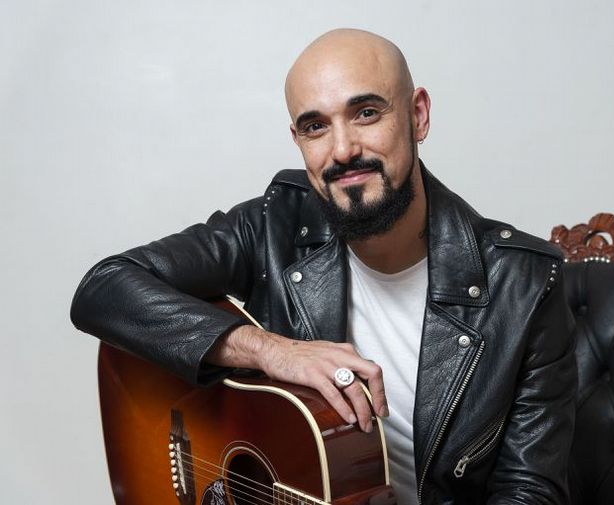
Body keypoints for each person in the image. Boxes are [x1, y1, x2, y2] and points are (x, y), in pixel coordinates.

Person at [71, 28, 576, 505]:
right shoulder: (275, 224)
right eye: (316, 126)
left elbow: (530, 491)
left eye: (366, 113)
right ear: (297, 140)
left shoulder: (525, 286)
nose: (343, 150)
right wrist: (270, 350)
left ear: (418, 115)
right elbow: (103, 288)